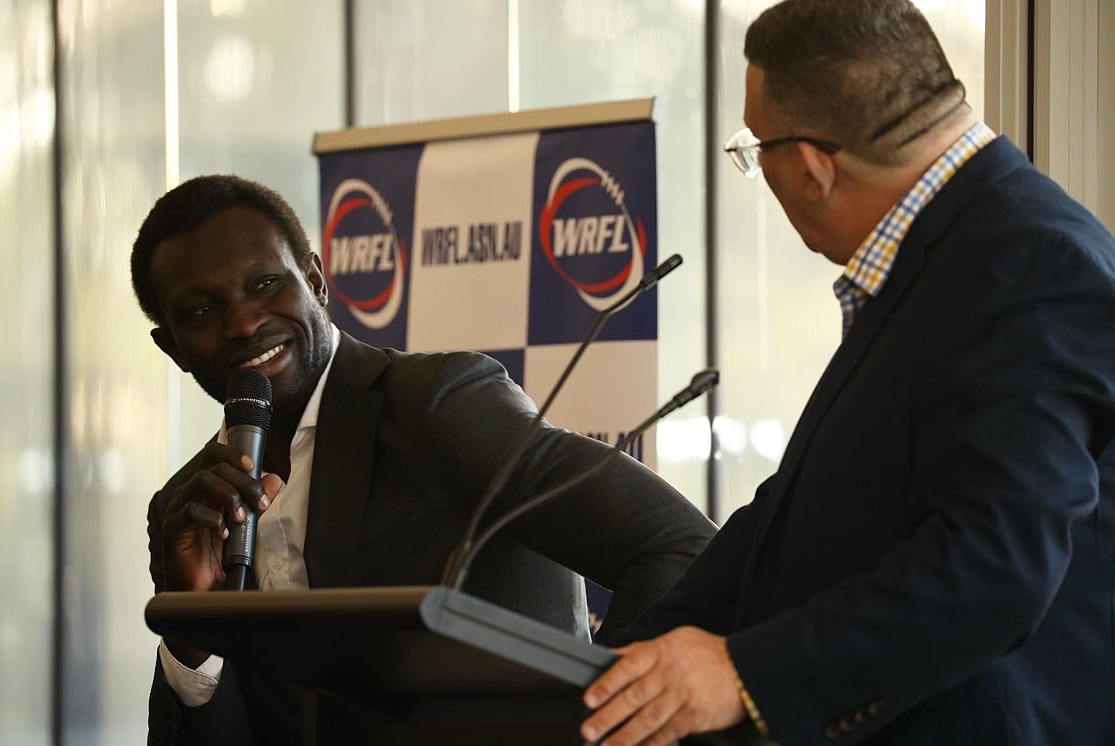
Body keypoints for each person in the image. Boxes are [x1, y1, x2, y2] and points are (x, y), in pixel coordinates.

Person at [580, 1, 1115, 744]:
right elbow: (802, 516)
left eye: (752, 148)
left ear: (809, 167)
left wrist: (744, 673)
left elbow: (996, 566)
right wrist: (611, 669)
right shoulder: (958, 248)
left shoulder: (1027, 263)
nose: (757, 167)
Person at [131, 173, 716, 745]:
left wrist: (600, 721)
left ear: (316, 280)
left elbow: (677, 546)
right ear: (172, 348)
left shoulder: (439, 405)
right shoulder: (188, 510)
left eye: (264, 285)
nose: (243, 322)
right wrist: (194, 628)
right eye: (202, 312)